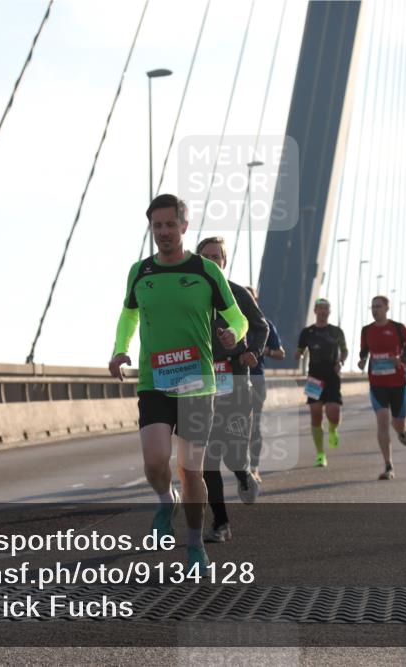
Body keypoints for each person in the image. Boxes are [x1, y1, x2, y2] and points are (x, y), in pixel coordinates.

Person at [110, 194, 247, 570]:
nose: (164, 232)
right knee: (155, 461)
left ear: (184, 227)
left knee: (191, 469)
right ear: (151, 228)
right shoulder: (140, 272)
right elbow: (128, 316)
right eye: (157, 226)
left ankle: (193, 545)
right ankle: (163, 500)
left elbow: (237, 317)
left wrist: (234, 334)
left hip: (197, 384)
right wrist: (120, 349)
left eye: (171, 225)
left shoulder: (206, 271)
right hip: (154, 380)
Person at [196, 238, 268, 544]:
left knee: (233, 453)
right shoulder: (191, 295)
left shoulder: (237, 293)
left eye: (217, 257)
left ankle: (243, 473)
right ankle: (221, 523)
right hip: (201, 384)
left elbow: (261, 326)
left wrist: (253, 351)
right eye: (206, 257)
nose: (212, 262)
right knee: (209, 457)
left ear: (225, 261)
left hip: (236, 381)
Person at [358, 295, 406, 480]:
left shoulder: (398, 328)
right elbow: (364, 350)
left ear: (386, 309)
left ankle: (401, 430)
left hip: (398, 383)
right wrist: (362, 360)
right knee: (382, 419)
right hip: (377, 383)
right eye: (372, 306)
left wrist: (401, 359)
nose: (375, 309)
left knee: (397, 423)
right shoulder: (366, 330)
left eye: (378, 306)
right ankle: (388, 465)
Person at [295, 298, 348, 467]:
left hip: (332, 377)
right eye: (320, 308)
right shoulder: (307, 332)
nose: (323, 312)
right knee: (316, 414)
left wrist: (341, 361)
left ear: (329, 312)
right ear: (315, 311)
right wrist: (298, 355)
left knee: (333, 414)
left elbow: (345, 350)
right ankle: (320, 454)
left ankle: (333, 429)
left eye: (326, 309)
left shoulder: (336, 331)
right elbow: (300, 350)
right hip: (314, 378)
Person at [242, 285, 285, 484]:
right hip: (231, 380)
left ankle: (254, 467)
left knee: (254, 425)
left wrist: (264, 351)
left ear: (255, 302)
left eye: (250, 299)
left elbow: (281, 353)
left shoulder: (265, 325)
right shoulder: (228, 323)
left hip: (256, 379)